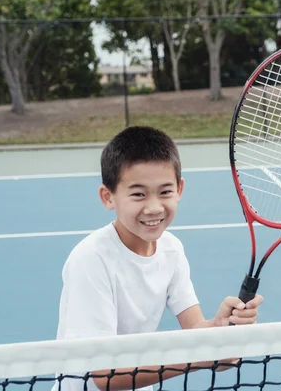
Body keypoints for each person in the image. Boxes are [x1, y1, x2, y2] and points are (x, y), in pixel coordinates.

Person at [52, 126, 264, 391]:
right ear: (108, 197)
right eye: (138, 194)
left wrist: (220, 329)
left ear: (180, 189)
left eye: (165, 192)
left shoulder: (171, 250)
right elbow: (103, 374)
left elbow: (197, 328)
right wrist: (200, 357)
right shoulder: (90, 260)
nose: (154, 207)